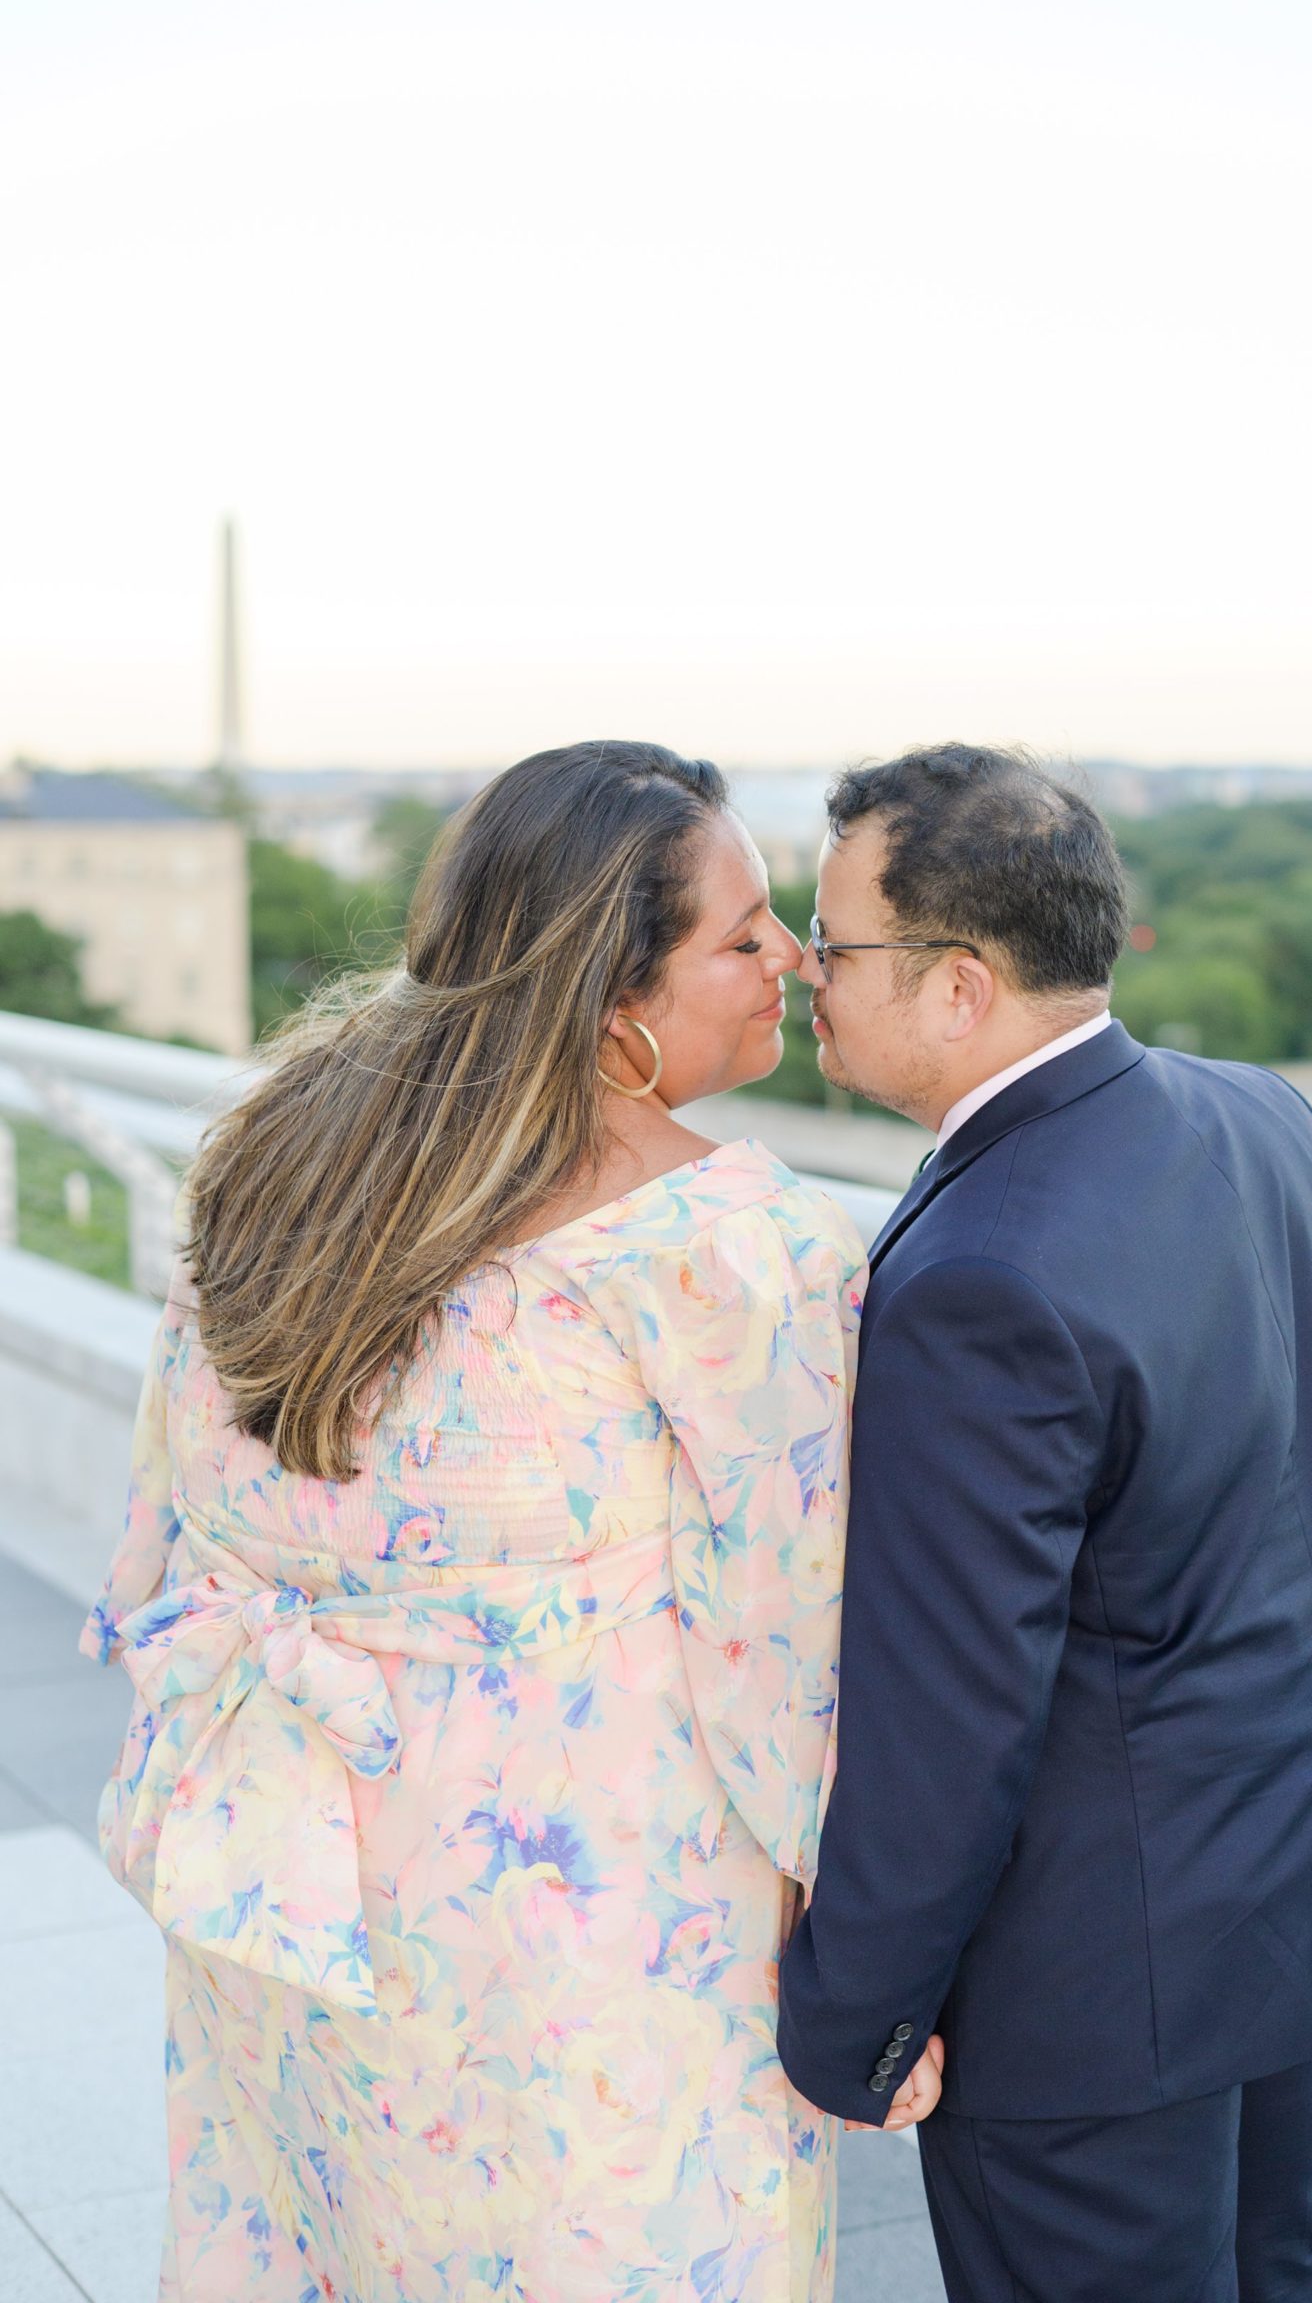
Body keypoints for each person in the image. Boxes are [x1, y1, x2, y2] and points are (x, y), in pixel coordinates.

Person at [81, 741, 867, 2303]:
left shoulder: (277, 1157)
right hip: (587, 1941)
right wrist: (869, 1930)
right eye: (744, 929)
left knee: (332, 2238)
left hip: (292, 1874)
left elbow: (174, 1508)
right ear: (613, 997)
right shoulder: (722, 1245)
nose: (788, 958)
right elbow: (794, 1641)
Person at [777, 745, 1312, 2303]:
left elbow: (956, 1711)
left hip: (1088, 1986)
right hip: (1286, 1894)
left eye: (835, 945)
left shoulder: (978, 1272)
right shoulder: (1266, 1120)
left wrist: (848, 2011)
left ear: (958, 987)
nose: (806, 973)